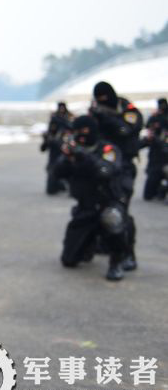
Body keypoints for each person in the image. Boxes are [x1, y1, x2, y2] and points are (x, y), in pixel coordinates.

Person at [53, 116, 130, 281]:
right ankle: (88, 244)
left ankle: (117, 260)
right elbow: (57, 173)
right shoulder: (74, 150)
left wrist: (83, 155)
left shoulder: (108, 149)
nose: (81, 135)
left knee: (113, 219)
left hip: (107, 204)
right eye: (77, 131)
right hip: (86, 206)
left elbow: (106, 172)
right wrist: (67, 158)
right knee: (69, 260)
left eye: (85, 131)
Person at [88, 81, 142, 270]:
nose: (103, 102)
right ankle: (107, 246)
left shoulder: (128, 109)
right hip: (103, 167)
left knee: (118, 212)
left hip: (124, 168)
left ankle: (125, 255)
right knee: (99, 209)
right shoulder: (95, 112)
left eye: (104, 99)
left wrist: (106, 116)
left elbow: (126, 130)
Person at [41, 102, 74, 194]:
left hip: (66, 159)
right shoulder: (51, 133)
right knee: (51, 189)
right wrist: (47, 139)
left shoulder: (68, 123)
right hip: (54, 159)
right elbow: (43, 148)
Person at [140, 97, 167, 201]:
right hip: (155, 153)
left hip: (164, 152)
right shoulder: (155, 117)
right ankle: (157, 190)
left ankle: (162, 190)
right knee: (149, 192)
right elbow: (148, 127)